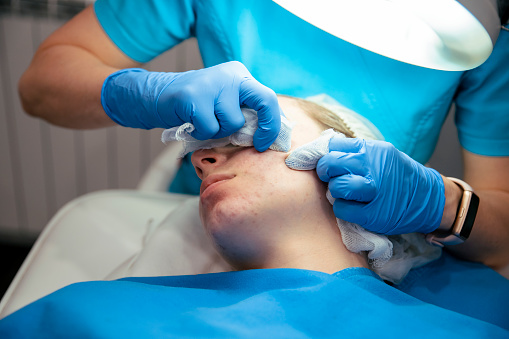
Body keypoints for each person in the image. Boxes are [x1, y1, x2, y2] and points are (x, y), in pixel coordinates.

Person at [18, 2, 509, 271]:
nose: (202, 158)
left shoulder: (474, 31)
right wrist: (142, 95)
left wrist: (442, 204)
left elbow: (502, 233)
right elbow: (40, 86)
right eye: (218, 144)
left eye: (258, 139)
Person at [0, 96, 507, 338]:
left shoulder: (472, 323)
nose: (201, 159)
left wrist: (447, 203)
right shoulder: (87, 315)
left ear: (350, 158)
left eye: (246, 137)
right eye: (201, 154)